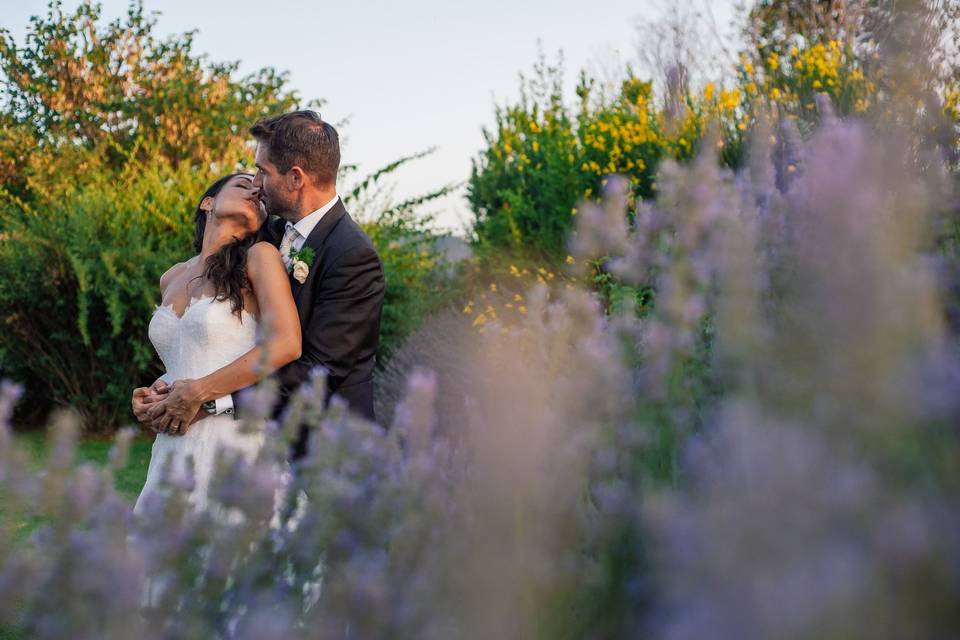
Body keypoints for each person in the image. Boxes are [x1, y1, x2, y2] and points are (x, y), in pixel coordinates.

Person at [134, 110, 385, 462]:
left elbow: (320, 370)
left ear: (295, 178)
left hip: (326, 449)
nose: (255, 184)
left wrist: (211, 401)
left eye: (262, 172)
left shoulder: (352, 254)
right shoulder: (265, 235)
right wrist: (165, 392)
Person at [132, 173, 301, 512]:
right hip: (175, 443)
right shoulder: (171, 276)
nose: (256, 192)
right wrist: (155, 395)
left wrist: (199, 392)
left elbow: (287, 343)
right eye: (242, 186)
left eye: (261, 196)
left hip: (234, 439)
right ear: (207, 203)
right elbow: (188, 356)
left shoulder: (259, 258)